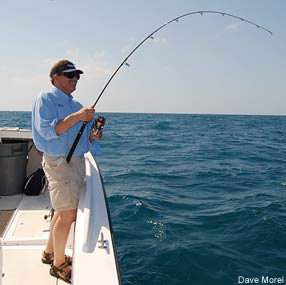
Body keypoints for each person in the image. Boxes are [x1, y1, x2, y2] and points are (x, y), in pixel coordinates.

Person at [32, 59, 102, 284]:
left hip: (76, 163)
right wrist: (79, 116)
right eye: (70, 75)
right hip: (59, 164)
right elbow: (50, 131)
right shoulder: (46, 98)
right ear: (56, 78)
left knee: (61, 211)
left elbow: (80, 139)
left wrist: (93, 136)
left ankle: (49, 252)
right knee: (68, 214)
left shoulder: (76, 104)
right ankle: (59, 264)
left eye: (77, 76)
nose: (75, 80)